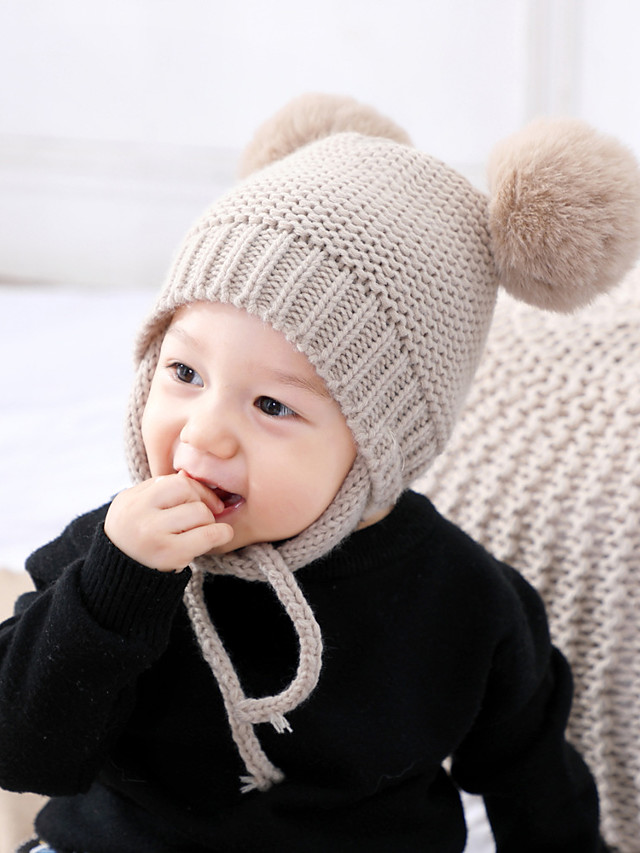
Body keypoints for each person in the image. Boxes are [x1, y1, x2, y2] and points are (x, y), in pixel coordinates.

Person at [1, 94, 639, 853]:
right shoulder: (112, 556)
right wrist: (114, 589)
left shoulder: (461, 602)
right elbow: (24, 752)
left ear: (382, 444)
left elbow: (534, 784)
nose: (206, 429)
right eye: (183, 371)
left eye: (272, 404)